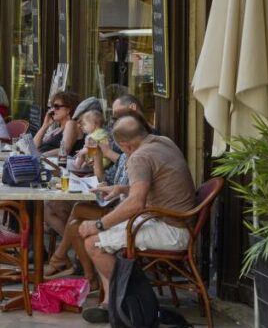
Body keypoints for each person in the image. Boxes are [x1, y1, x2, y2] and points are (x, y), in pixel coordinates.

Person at [77, 116, 196, 324]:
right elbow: (153, 185)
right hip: (176, 223)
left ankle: (137, 302)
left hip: (171, 230)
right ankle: (113, 303)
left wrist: (98, 224)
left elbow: (135, 204)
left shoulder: (139, 157)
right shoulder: (163, 142)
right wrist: (121, 189)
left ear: (126, 145)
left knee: (93, 243)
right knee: (101, 237)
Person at [44, 95, 152, 278]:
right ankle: (76, 269)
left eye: (117, 116)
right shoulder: (126, 142)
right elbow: (106, 177)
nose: (113, 122)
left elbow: (135, 195)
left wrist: (108, 153)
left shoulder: (141, 144)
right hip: (115, 199)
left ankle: (67, 263)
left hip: (125, 210)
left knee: (76, 220)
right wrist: (97, 157)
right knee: (71, 214)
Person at [34, 91, 84, 156]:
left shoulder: (71, 124)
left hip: (57, 164)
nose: (52, 110)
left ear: (69, 109)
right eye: (52, 107)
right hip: (44, 162)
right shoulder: (57, 129)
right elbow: (34, 146)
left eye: (56, 106)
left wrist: (41, 156)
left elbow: (65, 150)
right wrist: (45, 125)